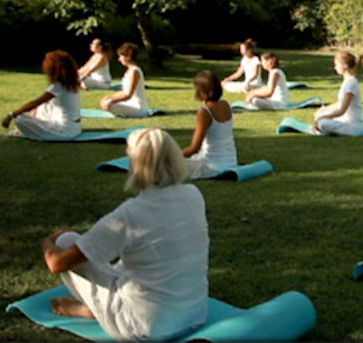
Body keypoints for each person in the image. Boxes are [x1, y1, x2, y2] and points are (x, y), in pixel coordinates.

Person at [41, 128, 209, 340]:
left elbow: (57, 264)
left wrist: (48, 242)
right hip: (194, 316)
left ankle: (98, 311)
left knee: (66, 242)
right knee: (128, 262)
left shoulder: (130, 214)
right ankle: (97, 309)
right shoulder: (194, 195)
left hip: (143, 329)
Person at [2, 50, 82, 141]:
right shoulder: (72, 83)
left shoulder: (58, 86)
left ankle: (25, 132)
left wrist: (11, 115)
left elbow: (35, 102)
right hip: (75, 128)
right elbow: (39, 104)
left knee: (19, 119)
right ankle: (26, 130)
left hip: (64, 131)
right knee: (41, 107)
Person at [182, 71, 238, 178]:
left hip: (212, 166)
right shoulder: (226, 104)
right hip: (231, 162)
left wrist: (171, 155)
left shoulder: (205, 112)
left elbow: (194, 148)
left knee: (168, 165)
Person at [312, 51, 363, 136]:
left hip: (353, 126)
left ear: (345, 66)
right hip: (344, 120)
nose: (335, 67)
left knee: (322, 123)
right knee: (320, 115)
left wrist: (321, 118)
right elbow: (339, 104)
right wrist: (323, 110)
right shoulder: (347, 82)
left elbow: (341, 110)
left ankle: (321, 128)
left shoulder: (351, 83)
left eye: (337, 64)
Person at [100, 42, 149, 117]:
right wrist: (109, 97)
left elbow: (128, 94)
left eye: (121, 56)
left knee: (107, 105)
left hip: (138, 108)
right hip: (130, 103)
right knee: (105, 102)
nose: (119, 59)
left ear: (128, 56)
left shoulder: (134, 71)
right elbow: (124, 91)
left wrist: (111, 100)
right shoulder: (130, 71)